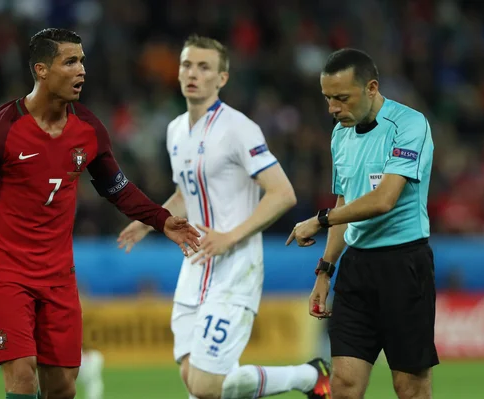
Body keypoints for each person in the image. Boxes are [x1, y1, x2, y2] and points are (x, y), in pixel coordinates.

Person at [0, 28, 201, 399]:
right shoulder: (1, 130)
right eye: (70, 62)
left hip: (59, 275)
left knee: (63, 386)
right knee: (21, 374)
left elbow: (119, 190)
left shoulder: (89, 130)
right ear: (42, 70)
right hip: (6, 270)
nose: (81, 70)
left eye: (82, 61)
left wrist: (162, 220)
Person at [117, 34, 332, 399]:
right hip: (196, 266)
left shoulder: (239, 128)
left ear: (222, 78)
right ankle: (308, 377)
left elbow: (282, 193)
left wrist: (230, 236)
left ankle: (307, 377)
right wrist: (148, 221)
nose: (193, 73)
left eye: (204, 67)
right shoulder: (174, 131)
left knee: (205, 385)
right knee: (192, 377)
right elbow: (187, 192)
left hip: (236, 267)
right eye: (187, 64)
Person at [287, 48, 438, 399]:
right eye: (327, 98)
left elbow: (384, 199)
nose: (333, 108)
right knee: (343, 384)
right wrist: (325, 271)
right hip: (357, 268)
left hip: (404, 265)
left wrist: (320, 220)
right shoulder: (340, 135)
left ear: (371, 88)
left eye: (341, 98)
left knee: (409, 387)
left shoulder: (410, 125)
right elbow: (345, 203)